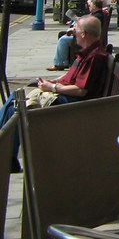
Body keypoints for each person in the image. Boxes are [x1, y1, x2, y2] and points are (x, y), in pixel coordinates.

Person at [3, 15, 109, 171]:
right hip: (68, 99)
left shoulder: (94, 57)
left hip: (73, 106)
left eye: (76, 30)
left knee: (15, 108)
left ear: (84, 34)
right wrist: (52, 82)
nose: (73, 32)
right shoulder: (87, 52)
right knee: (14, 99)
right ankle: (7, 156)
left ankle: (7, 158)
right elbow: (69, 77)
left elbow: (81, 90)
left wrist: (52, 88)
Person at [49, 0, 107, 71]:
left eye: (90, 5)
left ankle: (60, 63)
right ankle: (63, 62)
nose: (88, 7)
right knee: (62, 35)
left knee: (63, 40)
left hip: (87, 39)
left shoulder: (96, 16)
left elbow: (88, 29)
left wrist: (74, 31)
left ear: (94, 6)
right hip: (86, 36)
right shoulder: (96, 14)